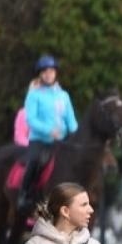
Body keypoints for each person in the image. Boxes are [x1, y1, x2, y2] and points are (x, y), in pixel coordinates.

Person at [19, 55, 79, 217]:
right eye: (44, 71)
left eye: (51, 71)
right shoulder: (34, 95)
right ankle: (25, 194)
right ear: (40, 74)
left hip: (61, 142)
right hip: (39, 141)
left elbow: (71, 120)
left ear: (55, 73)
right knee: (36, 161)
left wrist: (75, 134)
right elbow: (31, 119)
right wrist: (48, 130)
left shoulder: (64, 96)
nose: (48, 74)